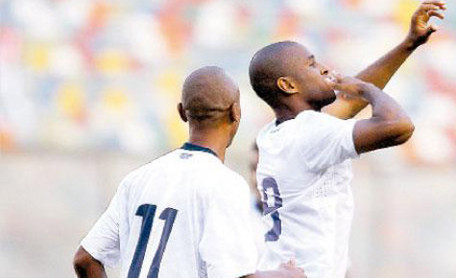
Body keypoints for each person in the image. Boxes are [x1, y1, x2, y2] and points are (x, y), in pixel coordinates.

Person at [248, 2, 446, 278]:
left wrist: (408, 44)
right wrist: (366, 89)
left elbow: (347, 104)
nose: (325, 69)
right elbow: (399, 126)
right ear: (288, 85)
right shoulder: (310, 132)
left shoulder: (275, 133)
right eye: (312, 64)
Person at [73, 66, 306, 278]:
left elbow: (85, 260)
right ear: (236, 112)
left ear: (182, 113)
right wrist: (287, 275)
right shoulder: (224, 185)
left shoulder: (138, 179)